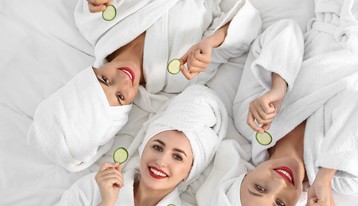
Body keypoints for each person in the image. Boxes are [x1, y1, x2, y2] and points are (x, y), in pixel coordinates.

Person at [27, 0, 261, 172]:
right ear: (124, 111)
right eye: (120, 96)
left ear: (92, 73)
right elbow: (248, 24)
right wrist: (212, 42)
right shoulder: (179, 76)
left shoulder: (95, 22)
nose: (122, 78)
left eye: (104, 80)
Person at [233, 0, 358, 206]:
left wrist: (278, 86)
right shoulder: (346, 176)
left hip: (338, 11)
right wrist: (327, 172)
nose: (279, 183)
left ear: (244, 176)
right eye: (281, 203)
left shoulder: (251, 121)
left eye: (259, 187)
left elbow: (285, 30)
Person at [35, 85, 228, 206]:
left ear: (190, 171)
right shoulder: (95, 186)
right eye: (157, 147)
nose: (161, 161)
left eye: (177, 157)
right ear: (144, 148)